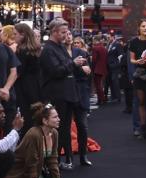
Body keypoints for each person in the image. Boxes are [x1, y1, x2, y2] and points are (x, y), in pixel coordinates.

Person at [40, 19, 83, 169]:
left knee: (64, 129)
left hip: (67, 94)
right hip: (57, 95)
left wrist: (74, 64)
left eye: (66, 32)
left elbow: (65, 67)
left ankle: (62, 160)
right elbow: (56, 71)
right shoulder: (48, 50)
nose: (66, 35)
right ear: (54, 32)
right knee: (57, 129)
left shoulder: (60, 47)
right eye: (63, 32)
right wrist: (73, 64)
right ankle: (54, 161)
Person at [3, 102, 69, 178]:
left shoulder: (54, 133)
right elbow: (31, 162)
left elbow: (53, 160)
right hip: (20, 173)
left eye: (58, 116)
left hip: (35, 173)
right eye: (55, 117)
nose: (59, 119)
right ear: (45, 121)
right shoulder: (34, 134)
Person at [12, 22, 43, 135]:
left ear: (23, 35)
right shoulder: (36, 49)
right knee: (35, 115)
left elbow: (18, 71)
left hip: (24, 87)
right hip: (36, 85)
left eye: (15, 34)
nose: (13, 37)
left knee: (26, 116)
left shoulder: (22, 51)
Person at [70, 36, 93, 166]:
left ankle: (83, 155)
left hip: (81, 92)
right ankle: (68, 157)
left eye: (78, 42)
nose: (76, 44)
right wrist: (78, 68)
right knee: (65, 126)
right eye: (75, 42)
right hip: (67, 92)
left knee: (82, 126)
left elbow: (87, 72)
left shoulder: (83, 53)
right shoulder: (61, 53)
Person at [91, 35, 109, 104]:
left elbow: (94, 60)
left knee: (98, 85)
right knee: (101, 85)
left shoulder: (95, 48)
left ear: (95, 40)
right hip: (103, 69)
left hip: (97, 69)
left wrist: (92, 68)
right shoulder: (104, 48)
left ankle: (101, 99)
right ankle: (102, 98)